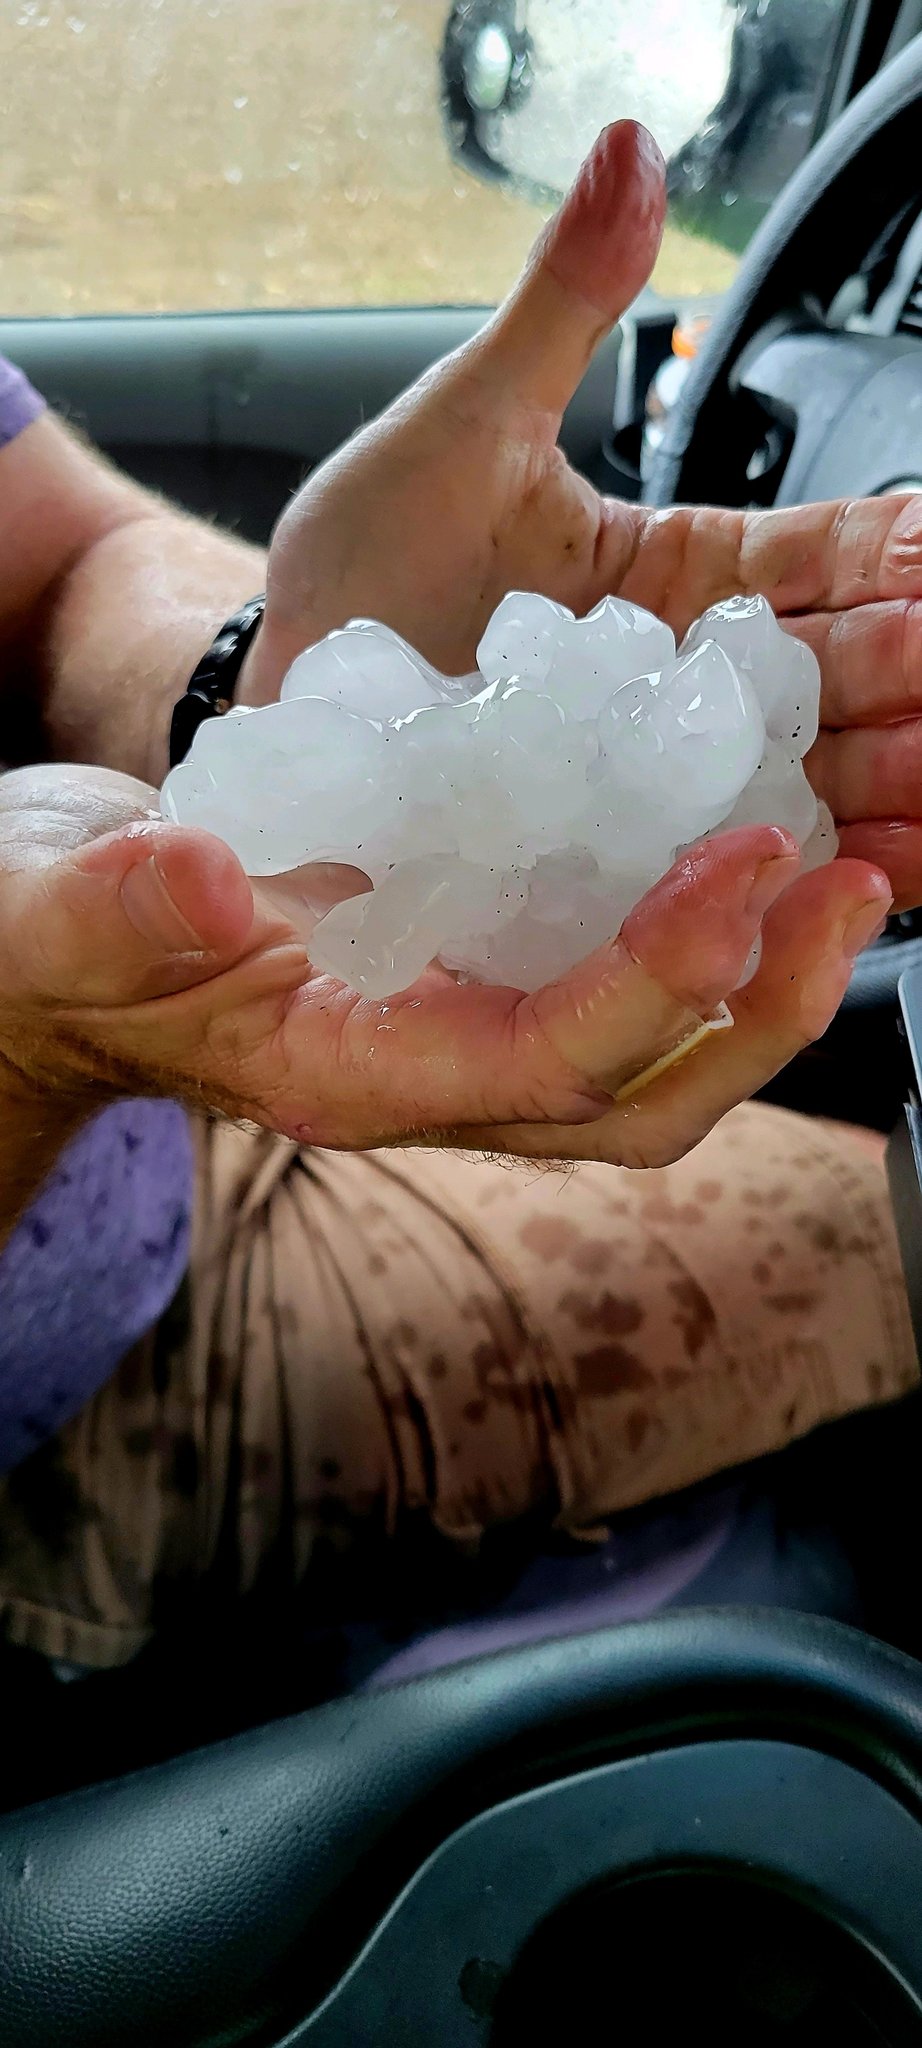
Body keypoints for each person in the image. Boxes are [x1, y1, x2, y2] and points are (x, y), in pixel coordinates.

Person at [0, 123, 918, 1676]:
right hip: (62, 1391)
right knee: (890, 1246)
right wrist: (29, 1050)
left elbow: (54, 570)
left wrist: (239, 682)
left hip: (161, 1129)